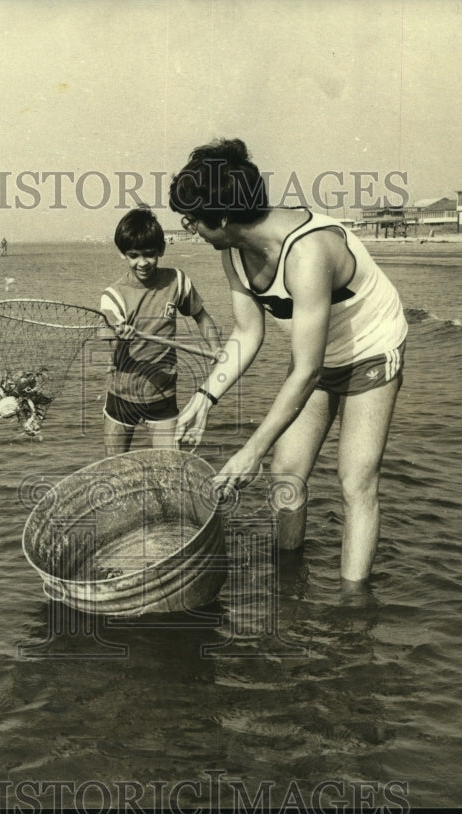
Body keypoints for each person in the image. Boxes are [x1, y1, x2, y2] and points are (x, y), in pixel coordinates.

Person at [169, 138, 408, 586]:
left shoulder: (308, 253)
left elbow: (307, 371)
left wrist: (249, 453)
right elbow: (247, 332)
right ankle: (289, 578)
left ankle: (352, 610)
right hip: (315, 357)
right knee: (286, 474)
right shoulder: (233, 252)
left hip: (371, 351)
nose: (190, 229)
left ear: (221, 218)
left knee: (355, 480)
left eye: (191, 220)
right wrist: (205, 397)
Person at [100, 206, 220, 456]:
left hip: (163, 397)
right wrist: (119, 337)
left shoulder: (177, 282)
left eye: (149, 254)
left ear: (161, 250)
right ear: (123, 255)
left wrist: (215, 348)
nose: (142, 263)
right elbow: (108, 343)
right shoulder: (113, 295)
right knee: (113, 470)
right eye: (133, 255)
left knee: (168, 470)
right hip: (122, 396)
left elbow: (201, 316)